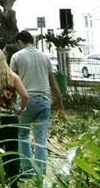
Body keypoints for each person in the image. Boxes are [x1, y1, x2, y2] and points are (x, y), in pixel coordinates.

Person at [10, 30, 64, 176]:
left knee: (22, 134)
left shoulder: (16, 57)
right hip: (45, 100)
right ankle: (41, 171)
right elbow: (53, 83)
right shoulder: (45, 57)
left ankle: (27, 170)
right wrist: (60, 105)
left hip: (26, 100)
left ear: (20, 42)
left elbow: (12, 83)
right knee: (41, 138)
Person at [0, 47, 28, 188]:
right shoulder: (12, 76)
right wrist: (21, 109)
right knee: (12, 149)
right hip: (10, 118)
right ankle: (13, 180)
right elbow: (25, 96)